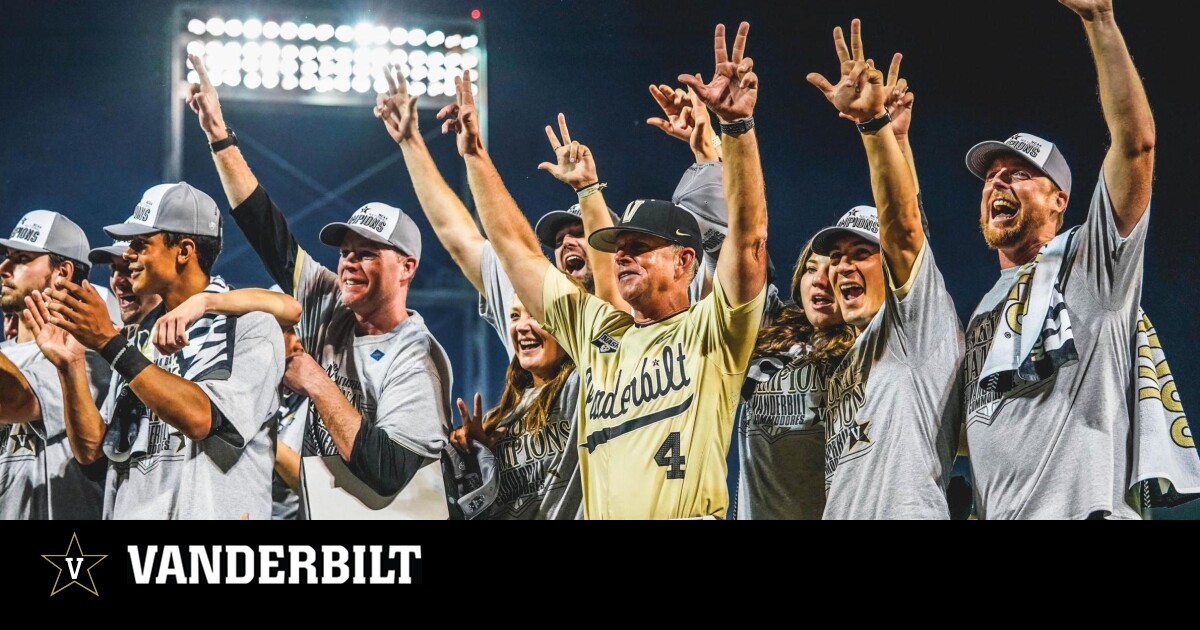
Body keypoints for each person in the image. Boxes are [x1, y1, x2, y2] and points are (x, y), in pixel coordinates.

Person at [446, 21, 767, 519]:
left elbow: (748, 237)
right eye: (618, 247)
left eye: (640, 246)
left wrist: (737, 129)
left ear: (685, 261)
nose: (621, 256)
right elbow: (516, 252)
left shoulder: (714, 330)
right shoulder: (597, 331)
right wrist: (474, 156)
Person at [184, 54, 453, 514]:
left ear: (406, 268)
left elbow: (390, 470)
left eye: (367, 253)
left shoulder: (417, 354)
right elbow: (270, 235)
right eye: (345, 252)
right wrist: (218, 136)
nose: (348, 263)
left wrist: (314, 379)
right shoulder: (333, 301)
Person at [959, 0, 1160, 519]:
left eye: (1019, 173)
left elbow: (1135, 146)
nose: (998, 181)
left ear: (1059, 201)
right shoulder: (981, 310)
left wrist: (1099, 20)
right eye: (991, 176)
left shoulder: (1089, 267)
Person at [374, 72, 587, 519]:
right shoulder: (532, 313)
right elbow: (461, 238)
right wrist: (412, 141)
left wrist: (475, 155)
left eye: (583, 234)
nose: (523, 324)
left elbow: (518, 246)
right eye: (561, 238)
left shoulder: (605, 338)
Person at [26, 182, 285, 519]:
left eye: (141, 244)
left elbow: (202, 418)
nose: (128, 255)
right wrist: (70, 365)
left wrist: (108, 343)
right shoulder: (139, 341)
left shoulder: (249, 326)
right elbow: (93, 452)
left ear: (184, 250)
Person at [806, 19, 964, 519]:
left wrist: (874, 129)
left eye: (860, 254)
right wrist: (898, 140)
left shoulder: (913, 327)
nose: (843, 267)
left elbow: (905, 229)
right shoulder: (848, 357)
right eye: (837, 257)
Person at [735, 239, 856, 519]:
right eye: (811, 269)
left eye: (833, 271)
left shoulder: (865, 350)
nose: (819, 281)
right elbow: (737, 252)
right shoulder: (772, 326)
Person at [0, 210, 105, 519]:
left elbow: (15, 400)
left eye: (21, 259)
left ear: (63, 272)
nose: (4, 267)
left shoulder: (87, 356)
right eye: (7, 256)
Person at [87, 241, 162, 327]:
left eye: (130, 267)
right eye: (113, 267)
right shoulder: (126, 335)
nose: (115, 280)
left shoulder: (176, 331)